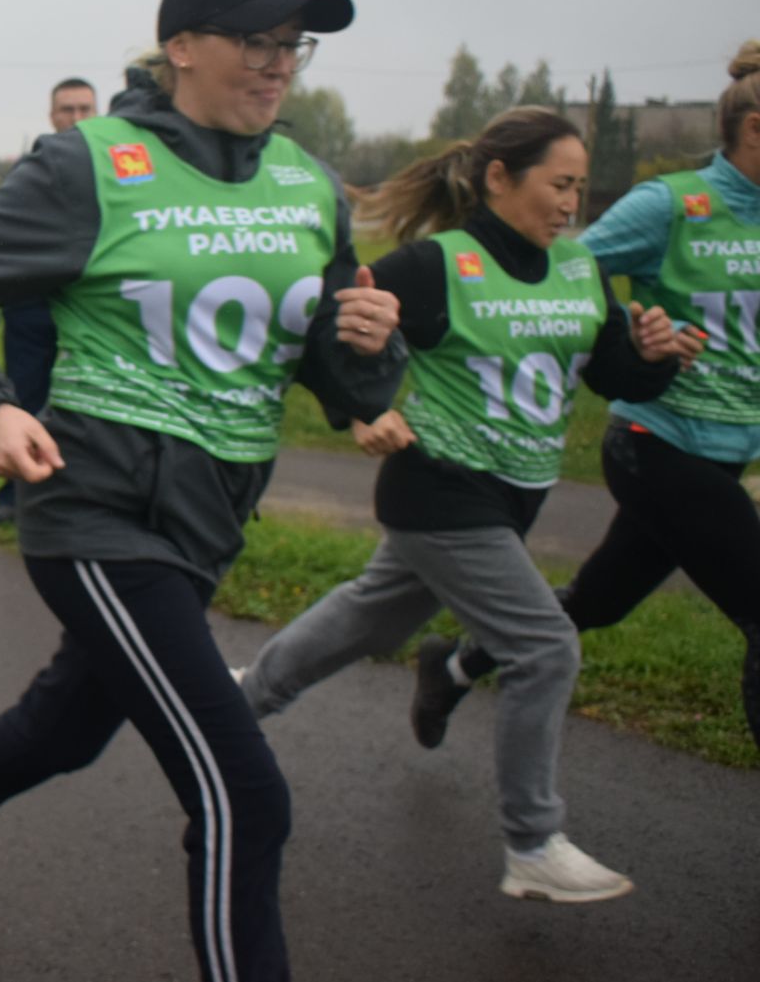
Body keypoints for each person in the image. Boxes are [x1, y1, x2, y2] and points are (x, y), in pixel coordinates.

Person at [0, 0, 399, 982]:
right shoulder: (90, 165)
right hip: (94, 507)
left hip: (211, 518)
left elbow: (338, 376)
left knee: (66, 728)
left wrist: (375, 346)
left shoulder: (309, 185)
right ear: (181, 48)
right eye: (255, 40)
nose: (277, 62)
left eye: (293, 44)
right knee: (242, 791)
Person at [237, 108, 689, 904]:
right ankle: (532, 840)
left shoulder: (580, 267)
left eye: (579, 187)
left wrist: (650, 358)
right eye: (558, 184)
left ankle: (240, 701)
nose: (571, 203)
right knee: (545, 645)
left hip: (510, 498)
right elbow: (335, 338)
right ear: (498, 179)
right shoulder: (438, 265)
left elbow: (611, 373)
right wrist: (363, 409)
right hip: (439, 488)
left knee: (373, 616)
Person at [414, 42, 760, 755]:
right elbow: (566, 266)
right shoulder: (672, 204)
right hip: (658, 443)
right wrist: (634, 330)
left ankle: (455, 664)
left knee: (597, 600)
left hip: (730, 450)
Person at [0, 77, 98, 528]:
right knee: (25, 399)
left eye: (85, 109)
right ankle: (14, 499)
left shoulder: (113, 171)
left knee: (88, 407)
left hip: (91, 311)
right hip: (32, 307)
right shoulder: (32, 171)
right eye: (67, 109)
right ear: (51, 116)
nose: (76, 118)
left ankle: (78, 502)